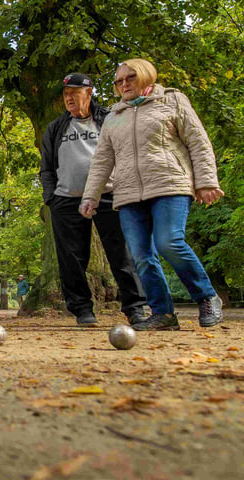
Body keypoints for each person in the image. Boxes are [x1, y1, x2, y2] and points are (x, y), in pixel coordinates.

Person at [81, 58, 225, 331]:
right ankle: (163, 314)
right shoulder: (114, 117)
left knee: (169, 241)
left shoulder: (172, 101)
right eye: (119, 81)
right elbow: (102, 160)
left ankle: (207, 297)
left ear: (146, 76)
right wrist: (91, 196)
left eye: (130, 77)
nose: (124, 84)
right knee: (140, 255)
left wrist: (206, 182)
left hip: (169, 184)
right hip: (128, 194)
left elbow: (198, 142)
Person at [40, 72, 147, 326]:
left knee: (121, 254)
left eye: (74, 93)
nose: (69, 99)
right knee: (72, 260)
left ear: (88, 93)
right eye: (66, 94)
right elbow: (46, 167)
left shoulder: (109, 120)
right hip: (66, 200)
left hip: (109, 196)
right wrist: (51, 197)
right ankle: (82, 310)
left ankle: (135, 308)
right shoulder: (56, 128)